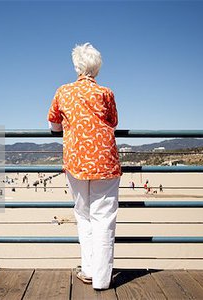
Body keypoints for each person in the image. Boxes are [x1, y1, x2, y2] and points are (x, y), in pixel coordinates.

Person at [48, 43, 121, 290]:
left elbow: (53, 125)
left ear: (76, 66)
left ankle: (89, 269)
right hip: (105, 161)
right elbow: (113, 122)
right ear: (97, 68)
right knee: (104, 218)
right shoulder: (106, 93)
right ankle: (101, 279)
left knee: (83, 214)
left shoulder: (63, 92)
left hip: (77, 161)